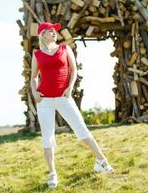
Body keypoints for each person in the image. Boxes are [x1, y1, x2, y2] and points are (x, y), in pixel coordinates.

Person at [30, 22, 114, 188]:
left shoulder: (64, 49)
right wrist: (34, 92)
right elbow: (33, 77)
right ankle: (52, 174)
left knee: (81, 129)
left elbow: (73, 70)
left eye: (54, 31)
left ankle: (101, 161)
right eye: (50, 31)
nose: (54, 33)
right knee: (48, 137)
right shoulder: (37, 54)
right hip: (44, 100)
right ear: (42, 35)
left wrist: (70, 87)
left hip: (63, 96)